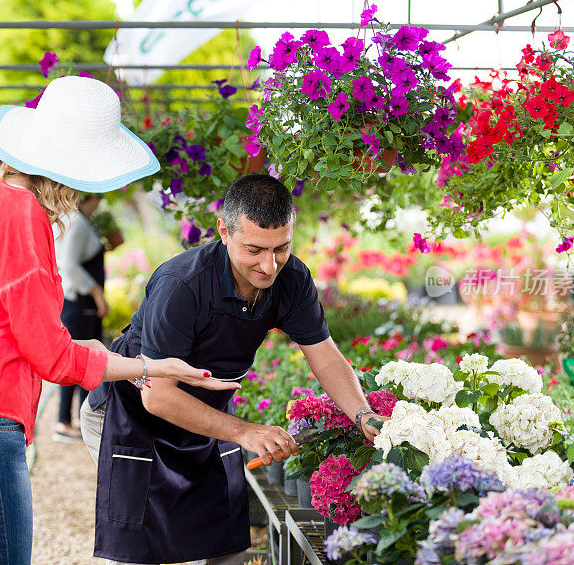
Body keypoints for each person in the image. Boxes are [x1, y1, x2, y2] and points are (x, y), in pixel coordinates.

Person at [0, 76, 239, 565]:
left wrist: (121, 357)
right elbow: (50, 355)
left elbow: (16, 331)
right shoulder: (20, 213)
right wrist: (152, 367)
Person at [81, 173, 387, 565]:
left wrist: (362, 414)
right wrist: (245, 431)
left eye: (282, 248)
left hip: (204, 410)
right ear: (224, 231)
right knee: (155, 547)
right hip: (134, 411)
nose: (269, 264)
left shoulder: (292, 279)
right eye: (255, 249)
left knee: (225, 546)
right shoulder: (183, 284)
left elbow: (324, 354)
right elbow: (158, 397)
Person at [52, 193, 113, 442]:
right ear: (88, 199)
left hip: (78, 304)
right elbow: (69, 265)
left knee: (79, 361)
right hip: (80, 303)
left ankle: (72, 419)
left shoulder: (73, 220)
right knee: (77, 361)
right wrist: (97, 294)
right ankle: (64, 422)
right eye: (97, 199)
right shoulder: (76, 221)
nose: (99, 205)